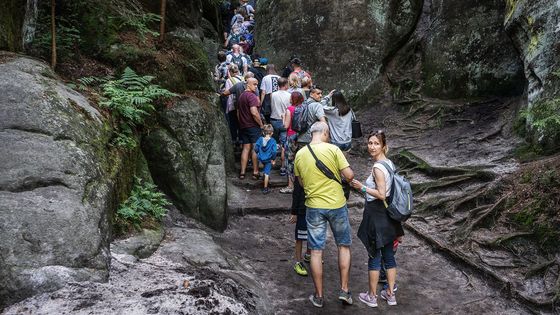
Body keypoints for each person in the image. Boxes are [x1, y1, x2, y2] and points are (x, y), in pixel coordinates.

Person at [294, 121, 355, 308]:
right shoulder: (333, 150)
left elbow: (302, 184)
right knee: (343, 246)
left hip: (313, 206)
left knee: (316, 251)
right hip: (337, 204)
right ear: (326, 133)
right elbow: (349, 176)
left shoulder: (299, 154)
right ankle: (344, 290)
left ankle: (319, 296)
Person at [350, 130, 403, 308]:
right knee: (388, 256)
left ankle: (372, 296)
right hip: (388, 217)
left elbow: (381, 194)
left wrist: (362, 187)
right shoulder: (389, 164)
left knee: (374, 255)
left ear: (384, 146)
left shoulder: (378, 168)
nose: (372, 147)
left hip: (376, 215)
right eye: (370, 143)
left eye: (376, 143)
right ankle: (390, 294)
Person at [237, 78, 264, 179]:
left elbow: (238, 113)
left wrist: (241, 123)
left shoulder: (241, 96)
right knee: (255, 149)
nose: (256, 86)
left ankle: (242, 172)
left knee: (245, 148)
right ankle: (255, 172)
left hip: (243, 126)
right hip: (253, 126)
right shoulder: (252, 96)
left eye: (257, 84)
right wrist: (261, 124)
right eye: (254, 84)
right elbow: (254, 112)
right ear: (248, 85)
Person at [280, 91, 304, 194]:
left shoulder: (290, 109)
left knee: (290, 161)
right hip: (301, 137)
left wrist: (283, 118)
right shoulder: (303, 108)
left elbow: (285, 126)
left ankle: (291, 185)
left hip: (291, 136)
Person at [270, 77, 291, 171]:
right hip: (284, 121)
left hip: (274, 119)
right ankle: (282, 167)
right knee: (284, 145)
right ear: (286, 84)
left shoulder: (272, 94)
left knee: (274, 142)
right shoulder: (289, 95)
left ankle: (271, 162)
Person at [254, 124, 277, 194]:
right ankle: (265, 188)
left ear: (263, 132)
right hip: (268, 159)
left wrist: (258, 153)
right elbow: (274, 151)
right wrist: (273, 159)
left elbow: (256, 148)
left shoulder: (260, 139)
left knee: (265, 167)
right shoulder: (273, 141)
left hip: (261, 158)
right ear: (272, 133)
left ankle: (264, 177)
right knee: (267, 173)